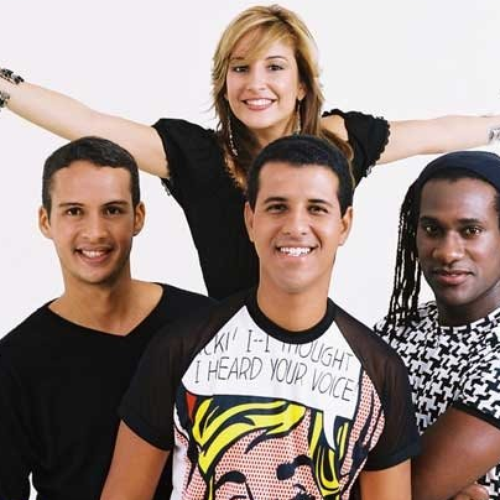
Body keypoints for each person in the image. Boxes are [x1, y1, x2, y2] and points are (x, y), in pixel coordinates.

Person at [1, 6, 500, 300]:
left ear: (302, 84)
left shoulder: (339, 144)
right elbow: (89, 124)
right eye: (240, 69)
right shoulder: (197, 157)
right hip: (227, 353)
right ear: (225, 83)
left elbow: (435, 133)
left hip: (313, 346)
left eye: (274, 67)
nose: (255, 84)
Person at [100, 135, 420, 500]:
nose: (296, 226)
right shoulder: (181, 347)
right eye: (277, 207)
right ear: (251, 220)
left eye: (316, 208)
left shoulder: (379, 372)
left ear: (344, 225)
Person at [0, 137, 213, 500]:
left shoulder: (202, 326)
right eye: (74, 211)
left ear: (138, 217)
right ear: (46, 221)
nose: (95, 232)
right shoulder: (15, 362)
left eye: (112, 210)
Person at [375, 151, 500, 500]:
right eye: (432, 229)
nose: (447, 252)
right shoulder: (396, 329)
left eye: (471, 230)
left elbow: (406, 493)